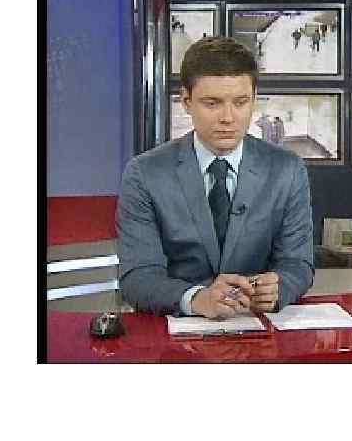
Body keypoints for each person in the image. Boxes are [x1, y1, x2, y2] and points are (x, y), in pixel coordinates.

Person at [117, 37, 314, 319]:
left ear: (254, 99)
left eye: (240, 102)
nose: (228, 117)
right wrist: (196, 299)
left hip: (256, 329)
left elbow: (298, 264)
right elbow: (138, 277)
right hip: (176, 332)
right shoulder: (145, 174)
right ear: (186, 101)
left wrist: (278, 288)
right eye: (212, 103)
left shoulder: (287, 170)